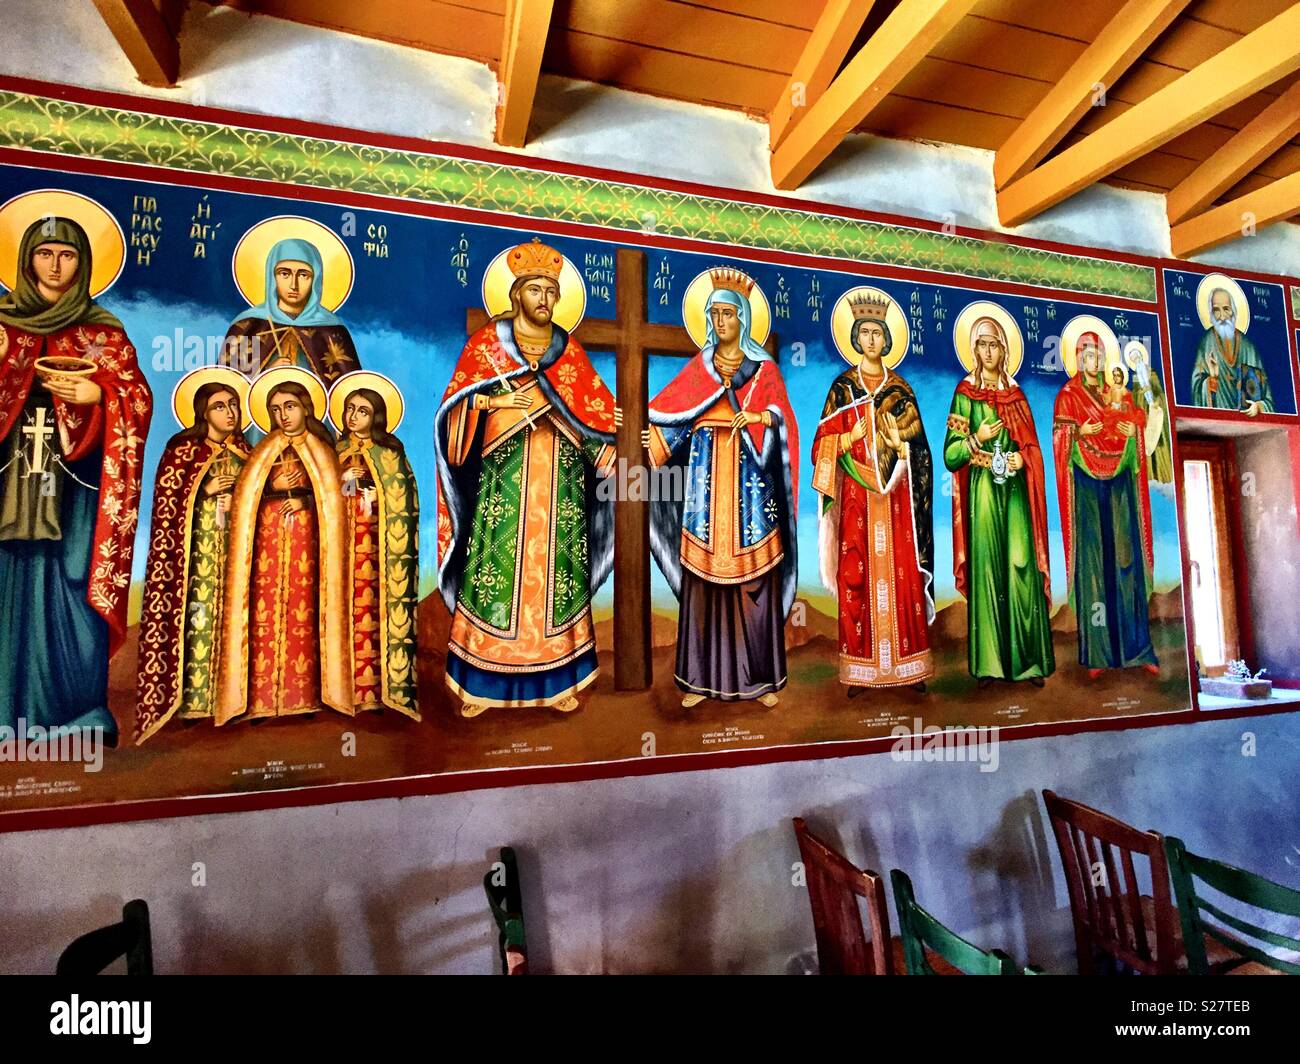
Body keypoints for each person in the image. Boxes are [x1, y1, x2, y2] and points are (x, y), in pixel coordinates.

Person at [435, 239, 618, 716]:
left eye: (551, 291)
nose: (543, 298)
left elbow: (593, 414)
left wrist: (604, 451)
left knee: (558, 578)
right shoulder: (486, 346)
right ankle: (481, 682)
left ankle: (559, 681)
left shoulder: (568, 352)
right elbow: (453, 413)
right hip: (504, 480)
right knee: (496, 574)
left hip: (560, 482)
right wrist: (494, 403)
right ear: (516, 294)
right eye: (534, 289)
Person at [0, 216, 152, 742]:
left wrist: (102, 400)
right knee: (9, 579)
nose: (55, 265)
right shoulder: (3, 322)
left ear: (82, 262)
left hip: (76, 484)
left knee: (71, 582)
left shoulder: (102, 329)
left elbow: (137, 396)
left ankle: (76, 711)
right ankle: (5, 711)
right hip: (11, 475)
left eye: (66, 255)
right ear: (26, 260)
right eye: (44, 254)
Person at [644, 268, 798, 707]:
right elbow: (674, 415)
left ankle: (761, 681)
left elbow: (784, 420)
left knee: (756, 586)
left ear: (743, 319)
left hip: (750, 492)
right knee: (705, 587)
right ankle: (698, 681)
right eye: (714, 315)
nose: (720, 322)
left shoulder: (763, 371)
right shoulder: (701, 368)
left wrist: (762, 419)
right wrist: (647, 438)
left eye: (728, 314)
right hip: (706, 492)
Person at [812, 292, 934, 693]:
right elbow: (820, 448)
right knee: (855, 576)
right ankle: (861, 669)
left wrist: (903, 446)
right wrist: (849, 436)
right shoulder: (841, 388)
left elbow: (921, 452)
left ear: (886, 340)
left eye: (877, 333)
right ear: (855, 338)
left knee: (903, 577)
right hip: (856, 500)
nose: (870, 339)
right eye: (863, 332)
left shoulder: (900, 390)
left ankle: (909, 666)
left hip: (897, 499)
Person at [215, 378, 351, 722]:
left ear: (305, 407)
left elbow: (333, 500)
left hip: (308, 542)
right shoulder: (263, 451)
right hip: (266, 543)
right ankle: (260, 702)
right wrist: (270, 486)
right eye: (275, 409)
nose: (283, 415)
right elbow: (246, 495)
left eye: (289, 406)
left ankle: (304, 698)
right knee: (263, 615)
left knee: (304, 613)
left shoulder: (321, 448)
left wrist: (306, 499)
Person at [135, 374, 251, 741]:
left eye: (233, 405)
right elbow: (167, 504)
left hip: (234, 559)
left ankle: (230, 699)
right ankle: (193, 701)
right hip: (194, 563)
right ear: (203, 411)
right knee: (198, 622)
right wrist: (202, 488)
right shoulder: (182, 450)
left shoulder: (244, 452)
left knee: (235, 623)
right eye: (220, 406)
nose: (230, 413)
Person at [943, 315, 1054, 687]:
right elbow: (951, 455)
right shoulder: (964, 394)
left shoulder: (1017, 396)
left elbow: (1034, 449)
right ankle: (990, 665)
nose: (988, 351)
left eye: (994, 345)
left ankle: (1029, 663)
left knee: (1020, 566)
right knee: (988, 569)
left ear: (1004, 350)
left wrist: (1025, 458)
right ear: (973, 350)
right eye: (982, 345)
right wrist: (976, 436)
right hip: (984, 491)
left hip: (1016, 492)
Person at [1052, 333, 1159, 678]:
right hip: (1086, 484)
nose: (1093, 362)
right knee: (1095, 566)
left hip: (1120, 485)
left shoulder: (1120, 393)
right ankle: (1098, 654)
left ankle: (1136, 649)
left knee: (1126, 559)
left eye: (1098, 356)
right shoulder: (1069, 397)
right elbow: (1059, 439)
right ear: (1078, 359)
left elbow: (1138, 426)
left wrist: (1132, 433)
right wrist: (1079, 432)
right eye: (1087, 356)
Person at [335, 385, 419, 717]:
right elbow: (326, 495)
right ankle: (343, 693)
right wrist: (343, 479)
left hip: (379, 549)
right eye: (349, 409)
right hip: (343, 548)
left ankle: (380, 692)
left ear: (377, 417)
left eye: (363, 411)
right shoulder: (334, 450)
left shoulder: (390, 454)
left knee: (377, 618)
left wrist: (375, 489)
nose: (353, 417)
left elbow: (405, 498)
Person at [222, 237, 360, 385]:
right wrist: (265, 375)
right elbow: (226, 388)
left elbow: (350, 392)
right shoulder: (248, 325)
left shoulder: (332, 330)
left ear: (316, 280)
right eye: (284, 274)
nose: (294, 285)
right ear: (272, 277)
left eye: (303, 275)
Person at [1189, 287, 1273, 416]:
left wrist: (1258, 406)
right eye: (1216, 310)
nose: (1222, 316)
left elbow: (1265, 396)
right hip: (1219, 419)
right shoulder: (1206, 343)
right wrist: (1212, 378)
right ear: (1211, 314)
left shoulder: (1248, 347)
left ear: (1234, 311)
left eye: (1226, 309)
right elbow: (1197, 388)